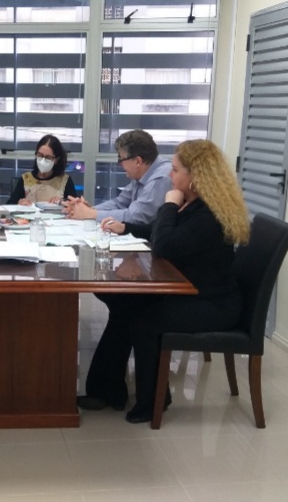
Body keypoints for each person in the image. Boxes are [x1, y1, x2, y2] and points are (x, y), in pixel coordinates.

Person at [77, 139, 250, 424]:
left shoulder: (208, 215)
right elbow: (160, 232)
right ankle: (106, 390)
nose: (170, 175)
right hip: (193, 291)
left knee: (141, 320)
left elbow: (165, 245)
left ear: (195, 178)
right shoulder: (194, 206)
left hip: (211, 303)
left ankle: (154, 401)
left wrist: (169, 204)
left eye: (176, 170)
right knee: (124, 307)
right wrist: (127, 227)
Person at [63, 129, 171, 225]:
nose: (120, 165)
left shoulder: (161, 178)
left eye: (121, 160)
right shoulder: (142, 173)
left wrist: (91, 214)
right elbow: (119, 203)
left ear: (138, 161)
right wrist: (87, 209)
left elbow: (135, 217)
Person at [6, 134, 78, 205]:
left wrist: (62, 202)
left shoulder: (64, 181)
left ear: (56, 159)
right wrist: (19, 204)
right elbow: (9, 206)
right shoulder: (26, 179)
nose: (43, 160)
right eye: (40, 155)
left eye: (48, 157)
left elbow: (75, 207)